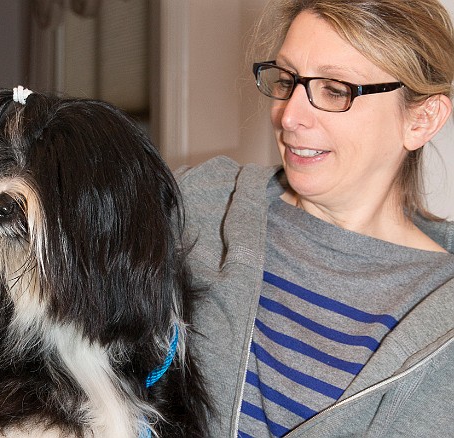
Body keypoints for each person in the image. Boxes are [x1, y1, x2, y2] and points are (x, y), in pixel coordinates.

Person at [177, 0, 454, 436]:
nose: (289, 116)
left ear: (422, 119)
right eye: (288, 81)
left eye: (335, 89)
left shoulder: (442, 322)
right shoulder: (197, 204)